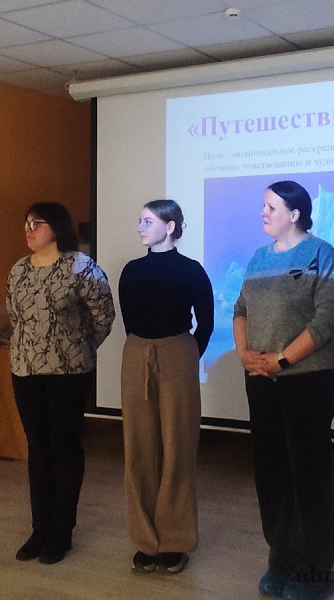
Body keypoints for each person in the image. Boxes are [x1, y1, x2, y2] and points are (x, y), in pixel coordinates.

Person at [232, 181, 334, 600]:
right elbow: (241, 309)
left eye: (271, 206)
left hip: (306, 380)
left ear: (295, 214)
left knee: (308, 473)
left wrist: (281, 360)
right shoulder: (258, 258)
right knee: (271, 472)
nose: (263, 212)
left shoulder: (321, 254)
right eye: (263, 205)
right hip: (261, 380)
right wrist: (245, 354)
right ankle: (281, 558)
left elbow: (326, 319)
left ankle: (315, 571)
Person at [6, 202, 115, 565]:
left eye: (36, 223)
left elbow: (103, 317)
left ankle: (60, 533)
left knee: (64, 448)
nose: (29, 229)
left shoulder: (81, 267)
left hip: (69, 372)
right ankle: (39, 529)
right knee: (38, 448)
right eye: (26, 223)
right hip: (25, 370)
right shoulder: (19, 269)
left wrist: (76, 348)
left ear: (57, 227)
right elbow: (14, 317)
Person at [118, 200, 214, 574]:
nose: (140, 227)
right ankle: (145, 540)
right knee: (138, 447)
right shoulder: (131, 271)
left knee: (178, 445)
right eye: (140, 221)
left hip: (178, 352)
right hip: (136, 353)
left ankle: (174, 541)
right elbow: (130, 321)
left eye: (148, 221)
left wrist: (184, 355)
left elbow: (205, 323)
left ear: (170, 226)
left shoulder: (191, 270)